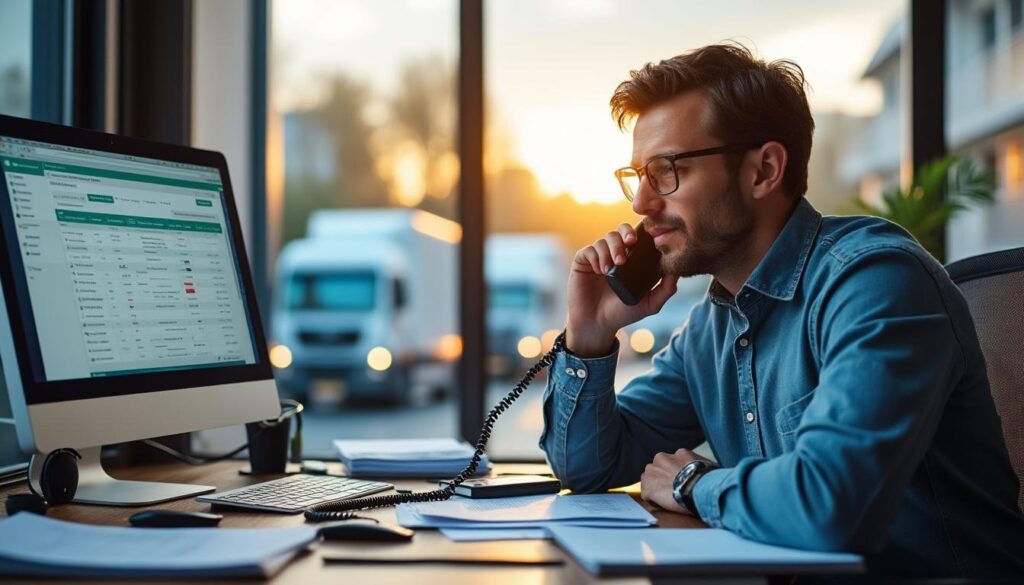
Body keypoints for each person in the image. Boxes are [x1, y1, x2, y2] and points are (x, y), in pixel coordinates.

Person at [539, 43, 1024, 578]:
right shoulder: (710, 329)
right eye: (638, 176)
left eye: (667, 171)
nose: (641, 203)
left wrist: (693, 483)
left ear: (764, 170)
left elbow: (832, 506)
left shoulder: (877, 283)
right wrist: (589, 334)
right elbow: (588, 467)